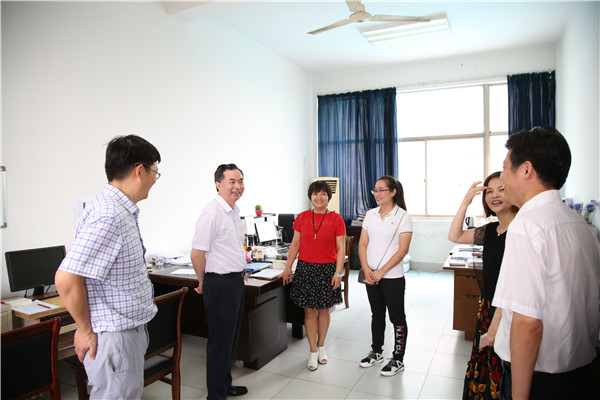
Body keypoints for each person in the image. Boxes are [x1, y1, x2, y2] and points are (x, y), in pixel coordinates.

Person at [493, 127, 600, 399]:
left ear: (526, 169)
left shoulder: (527, 227)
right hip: (583, 375)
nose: (502, 176)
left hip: (541, 383)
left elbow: (527, 323)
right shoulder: (580, 225)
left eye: (505, 167)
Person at [54, 135, 161, 399]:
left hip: (124, 332)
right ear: (139, 171)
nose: (155, 180)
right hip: (116, 337)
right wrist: (83, 330)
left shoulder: (117, 209)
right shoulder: (109, 215)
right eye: (155, 173)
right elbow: (66, 278)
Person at [448, 172, 518, 399]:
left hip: (510, 310)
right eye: (489, 191)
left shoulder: (521, 229)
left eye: (502, 189)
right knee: (485, 365)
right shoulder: (491, 230)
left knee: (504, 366)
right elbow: (455, 235)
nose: (495, 195)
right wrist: (465, 202)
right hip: (488, 307)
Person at [190, 163, 248, 400]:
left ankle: (225, 385)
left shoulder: (234, 211)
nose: (238, 186)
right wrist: (204, 282)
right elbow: (197, 254)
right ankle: (215, 395)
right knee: (220, 342)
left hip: (235, 282)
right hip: (219, 284)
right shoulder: (211, 213)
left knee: (230, 340)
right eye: (232, 181)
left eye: (240, 181)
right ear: (218, 184)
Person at [280, 180, 346, 371]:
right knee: (309, 311)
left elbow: (341, 249)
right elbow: (295, 245)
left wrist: (338, 273)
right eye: (316, 193)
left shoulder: (336, 219)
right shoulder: (302, 217)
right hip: (306, 269)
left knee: (324, 310)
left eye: (323, 194)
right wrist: (288, 267)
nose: (319, 197)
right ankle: (312, 350)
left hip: (327, 270)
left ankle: (322, 345)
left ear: (328, 197)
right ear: (310, 196)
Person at [358, 176, 413, 377]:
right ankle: (376, 351)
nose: (377, 194)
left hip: (393, 277)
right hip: (371, 275)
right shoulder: (370, 214)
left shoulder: (403, 216)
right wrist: (366, 268)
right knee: (377, 314)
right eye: (375, 190)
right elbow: (363, 243)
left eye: (382, 190)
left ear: (393, 192)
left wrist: (382, 271)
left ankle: (398, 358)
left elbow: (403, 249)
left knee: (397, 317)